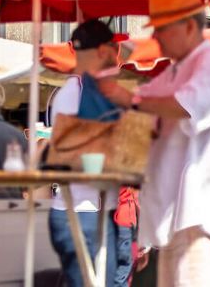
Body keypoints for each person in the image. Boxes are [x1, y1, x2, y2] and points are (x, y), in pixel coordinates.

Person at [98, 0, 210, 287]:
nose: (157, 38)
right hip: (177, 217)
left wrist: (129, 101)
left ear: (189, 27)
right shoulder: (176, 71)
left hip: (204, 218)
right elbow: (142, 105)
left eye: (162, 30)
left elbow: (183, 106)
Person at [46, 18, 131, 287]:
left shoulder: (90, 92)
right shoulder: (76, 94)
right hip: (80, 213)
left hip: (94, 211)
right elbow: (72, 158)